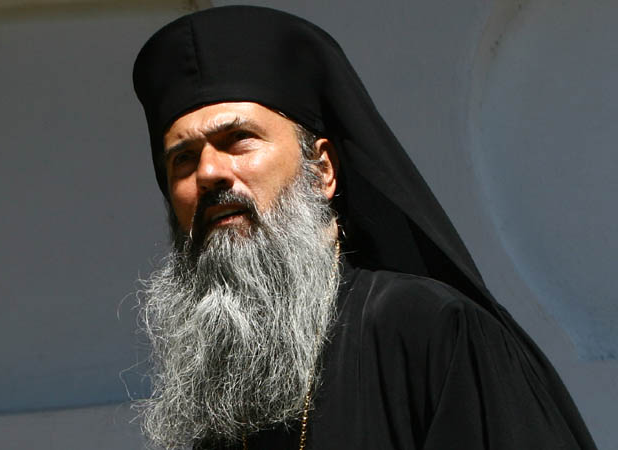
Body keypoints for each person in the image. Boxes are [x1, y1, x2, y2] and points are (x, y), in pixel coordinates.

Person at [132, 6, 596, 450]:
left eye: (238, 139)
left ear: (322, 170)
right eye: (183, 159)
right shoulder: (221, 394)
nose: (209, 172)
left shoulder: (430, 331)